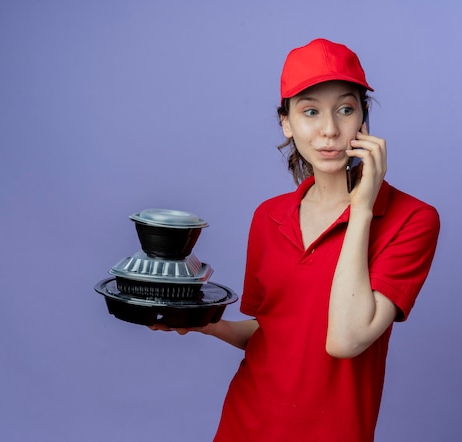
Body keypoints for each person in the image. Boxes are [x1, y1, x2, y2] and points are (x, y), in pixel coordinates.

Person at [150, 38, 440, 441]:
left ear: (363, 121)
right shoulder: (269, 216)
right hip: (245, 424)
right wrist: (203, 322)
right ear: (286, 122)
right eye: (309, 111)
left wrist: (361, 210)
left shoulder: (412, 220)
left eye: (345, 109)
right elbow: (272, 331)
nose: (329, 129)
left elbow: (345, 340)